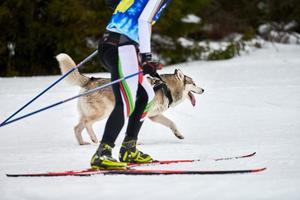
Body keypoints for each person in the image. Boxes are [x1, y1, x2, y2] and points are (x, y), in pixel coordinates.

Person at [91, 0, 173, 169]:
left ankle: (129, 148)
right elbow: (144, 21)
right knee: (126, 101)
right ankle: (102, 152)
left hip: (116, 44)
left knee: (146, 95)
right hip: (122, 47)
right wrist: (146, 57)